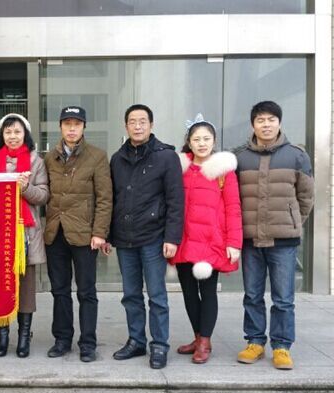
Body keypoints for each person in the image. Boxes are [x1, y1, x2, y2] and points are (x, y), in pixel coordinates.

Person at [234, 101, 314, 370]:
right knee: (252, 295)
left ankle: (281, 346)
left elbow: (306, 197)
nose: (266, 125)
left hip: (283, 241)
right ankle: (255, 342)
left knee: (283, 298)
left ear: (279, 122)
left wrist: (292, 221)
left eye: (271, 119)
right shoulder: (240, 157)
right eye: (260, 120)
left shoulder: (297, 156)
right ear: (253, 124)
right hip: (250, 239)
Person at [109, 104, 184, 369]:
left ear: (151, 125)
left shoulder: (167, 157)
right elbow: (112, 199)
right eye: (132, 121)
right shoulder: (117, 159)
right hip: (124, 238)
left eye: (142, 121)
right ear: (126, 126)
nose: (138, 126)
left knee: (156, 296)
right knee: (130, 295)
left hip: (154, 237)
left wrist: (172, 238)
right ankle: (136, 341)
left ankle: (160, 345)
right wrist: (108, 234)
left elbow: (176, 201)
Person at [169, 114, 242, 364]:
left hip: (211, 241)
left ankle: (205, 342)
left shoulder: (223, 170)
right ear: (189, 142)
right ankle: (198, 336)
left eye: (206, 138)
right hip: (184, 239)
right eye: (196, 139)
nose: (202, 143)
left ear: (214, 141)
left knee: (208, 292)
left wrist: (234, 242)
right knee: (189, 293)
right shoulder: (179, 167)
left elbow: (233, 207)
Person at [43, 106, 112, 363]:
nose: (72, 129)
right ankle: (62, 339)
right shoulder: (50, 158)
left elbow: (105, 199)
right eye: (67, 124)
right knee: (59, 290)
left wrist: (100, 232)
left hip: (85, 236)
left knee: (86, 291)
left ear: (84, 127)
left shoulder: (97, 156)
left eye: (77, 124)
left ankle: (88, 343)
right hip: (56, 234)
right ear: (60, 127)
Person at [0, 113, 48, 358]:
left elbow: (43, 196)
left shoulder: (35, 161)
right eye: (8, 132)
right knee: (1, 285)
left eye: (17, 131)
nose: (12, 136)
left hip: (26, 234)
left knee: (26, 288)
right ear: (2, 135)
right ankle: (2, 335)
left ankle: (24, 335)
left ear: (25, 134)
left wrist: (25, 188)